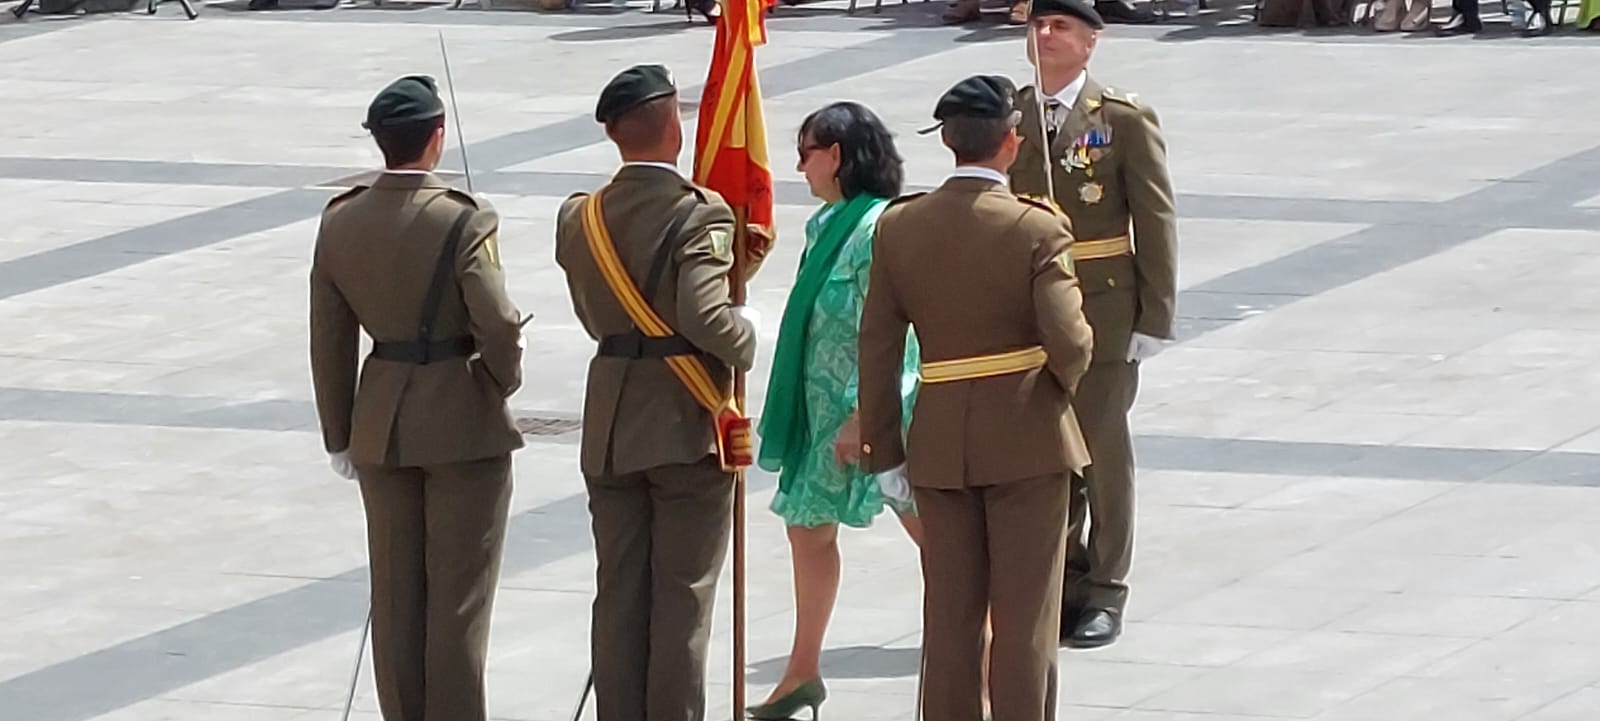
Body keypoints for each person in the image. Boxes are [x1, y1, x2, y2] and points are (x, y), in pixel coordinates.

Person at [858, 74, 1095, 721]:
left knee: (950, 622)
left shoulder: (900, 227)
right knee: (1024, 623)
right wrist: (1055, 392)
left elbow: (877, 346)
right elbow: (1072, 344)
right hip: (1027, 441)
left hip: (938, 446)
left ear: (950, 144)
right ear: (1011, 143)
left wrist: (884, 449)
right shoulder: (1036, 229)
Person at [309, 75, 526, 721]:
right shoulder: (463, 216)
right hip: (460, 418)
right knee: (457, 603)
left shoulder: (341, 219)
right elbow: (499, 322)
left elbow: (329, 339)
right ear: (437, 137)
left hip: (380, 422)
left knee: (397, 598)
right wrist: (498, 381)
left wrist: (339, 433)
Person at [553, 64, 761, 721]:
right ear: (674, 126)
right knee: (682, 597)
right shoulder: (700, 212)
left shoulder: (579, 215)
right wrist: (746, 337)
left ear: (614, 134)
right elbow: (704, 315)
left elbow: (594, 312)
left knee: (618, 593)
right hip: (683, 421)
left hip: (611, 423)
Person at [1009, 0, 1178, 650]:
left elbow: (1154, 217)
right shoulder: (1013, 115)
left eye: (1062, 27)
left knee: (1102, 451)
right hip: (1029, 311)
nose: (1046, 36)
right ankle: (1066, 581)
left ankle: (1106, 587)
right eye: (1040, 25)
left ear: (1090, 42)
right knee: (1048, 453)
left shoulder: (1121, 118)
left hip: (1102, 305)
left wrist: (1154, 315)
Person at [747, 101, 923, 720]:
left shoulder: (881, 228)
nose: (800, 167)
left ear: (839, 157)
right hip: (820, 413)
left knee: (936, 535)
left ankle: (981, 664)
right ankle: (802, 672)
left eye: (807, 152)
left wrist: (863, 413)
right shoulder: (826, 226)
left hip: (873, 411)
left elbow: (893, 331)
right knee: (807, 528)